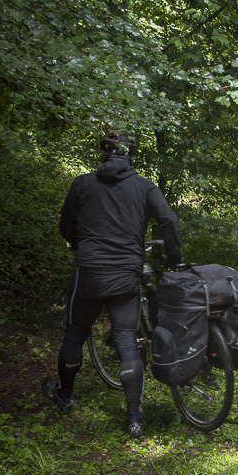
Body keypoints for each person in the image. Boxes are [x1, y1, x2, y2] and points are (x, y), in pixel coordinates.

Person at [41, 132, 183, 437]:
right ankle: (133, 418)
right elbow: (169, 221)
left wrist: (76, 243)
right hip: (125, 274)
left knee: (75, 334)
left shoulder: (82, 183)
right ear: (131, 157)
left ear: (103, 156)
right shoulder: (144, 187)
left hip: (89, 272)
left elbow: (66, 224)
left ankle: (64, 396)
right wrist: (174, 257)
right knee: (127, 342)